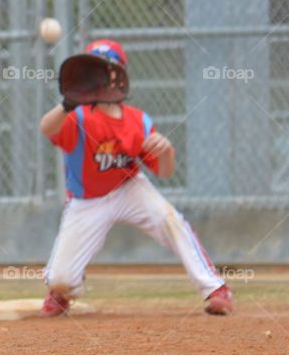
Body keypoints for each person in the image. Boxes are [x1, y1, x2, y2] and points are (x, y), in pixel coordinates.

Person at [38, 39, 233, 317]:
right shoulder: (77, 117)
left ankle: (215, 289)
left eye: (111, 70)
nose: (104, 77)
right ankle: (62, 292)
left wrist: (165, 149)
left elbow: (165, 171)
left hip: (129, 187)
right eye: (97, 70)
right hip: (87, 200)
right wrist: (67, 104)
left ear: (122, 76)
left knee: (171, 221)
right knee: (60, 278)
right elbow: (46, 127)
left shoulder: (138, 120)